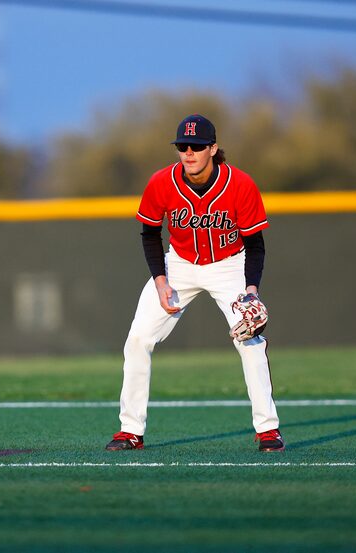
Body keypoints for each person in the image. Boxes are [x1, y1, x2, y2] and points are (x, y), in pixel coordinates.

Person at [105, 114, 284, 452]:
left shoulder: (240, 184)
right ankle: (130, 431)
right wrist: (160, 280)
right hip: (179, 265)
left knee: (250, 340)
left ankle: (268, 431)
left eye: (197, 146)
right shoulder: (162, 182)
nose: (189, 152)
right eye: (183, 146)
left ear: (213, 149)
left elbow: (255, 244)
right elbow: (149, 233)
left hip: (228, 265)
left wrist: (251, 290)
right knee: (139, 338)